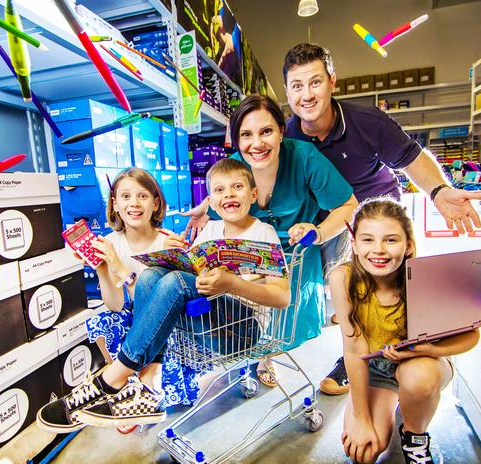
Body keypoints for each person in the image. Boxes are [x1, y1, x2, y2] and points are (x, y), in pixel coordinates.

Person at [281, 43, 481, 395]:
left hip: (376, 213)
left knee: (383, 286)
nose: (307, 95)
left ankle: (405, 353)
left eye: (315, 82)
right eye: (297, 86)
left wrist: (439, 192)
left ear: (332, 81)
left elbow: (412, 157)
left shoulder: (367, 122)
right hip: (328, 218)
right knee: (340, 289)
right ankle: (355, 357)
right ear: (287, 91)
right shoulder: (287, 136)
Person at [36, 159, 291, 431]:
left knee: (176, 281)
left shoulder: (264, 234)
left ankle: (110, 379)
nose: (228, 194)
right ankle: (148, 385)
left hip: (241, 330)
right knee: (151, 275)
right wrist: (177, 257)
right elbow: (194, 274)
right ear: (211, 202)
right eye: (219, 190)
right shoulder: (209, 231)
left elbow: (282, 298)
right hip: (205, 325)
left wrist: (231, 284)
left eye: (237, 187)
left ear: (253, 194)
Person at [185, 94, 357, 387]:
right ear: (237, 141)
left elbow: (348, 205)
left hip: (297, 247)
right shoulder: (236, 164)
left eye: (266, 131)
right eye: (246, 135)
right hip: (251, 253)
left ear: (281, 130)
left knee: (283, 314)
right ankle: (259, 354)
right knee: (245, 305)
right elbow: (223, 190)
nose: (257, 143)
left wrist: (317, 233)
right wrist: (204, 209)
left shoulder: (305, 158)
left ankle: (267, 356)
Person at [329, 198, 479, 464]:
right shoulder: (343, 277)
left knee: (418, 378)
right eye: (368, 239)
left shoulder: (428, 276)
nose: (379, 250)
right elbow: (354, 349)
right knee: (365, 452)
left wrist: (429, 350)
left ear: (408, 244)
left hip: (420, 363)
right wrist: (361, 417)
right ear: (355, 243)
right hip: (373, 369)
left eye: (391, 240)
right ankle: (396, 403)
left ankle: (415, 439)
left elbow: (471, 336)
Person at [82, 168, 199, 416]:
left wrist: (120, 267)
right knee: (100, 322)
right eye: (125, 196)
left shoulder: (167, 241)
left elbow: (152, 302)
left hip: (166, 320)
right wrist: (102, 267)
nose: (133, 204)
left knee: (151, 307)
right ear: (114, 204)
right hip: (131, 315)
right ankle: (124, 385)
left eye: (142, 196)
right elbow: (114, 305)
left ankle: (141, 384)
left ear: (156, 203)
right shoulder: (111, 242)